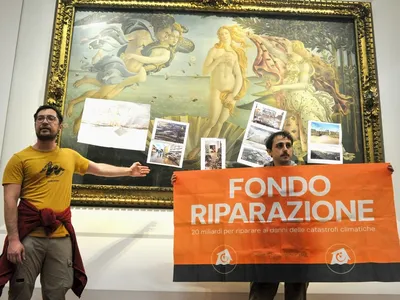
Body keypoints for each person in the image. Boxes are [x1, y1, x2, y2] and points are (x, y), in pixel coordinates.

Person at [0, 104, 151, 300]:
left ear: (60, 126)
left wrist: (128, 171)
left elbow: (98, 169)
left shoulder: (70, 156)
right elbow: (10, 200)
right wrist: (13, 239)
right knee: (20, 292)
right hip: (28, 238)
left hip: (60, 238)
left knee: (57, 293)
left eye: (51, 118)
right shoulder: (19, 159)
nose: (45, 121)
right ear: (35, 124)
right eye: (41, 118)